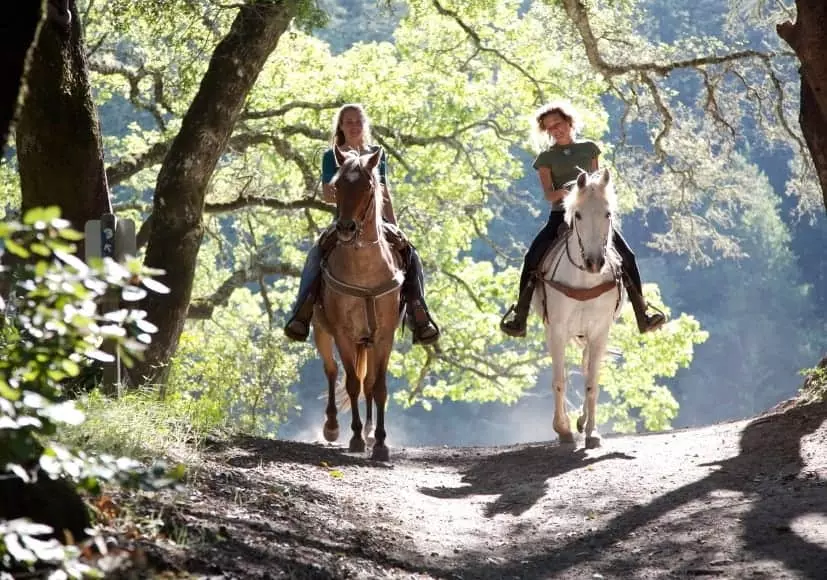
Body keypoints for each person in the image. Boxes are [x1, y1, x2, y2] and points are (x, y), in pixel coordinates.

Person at [500, 100, 666, 337]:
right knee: (532, 257)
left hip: (592, 216)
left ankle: (643, 312)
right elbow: (549, 195)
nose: (555, 130)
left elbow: (597, 184)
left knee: (627, 256)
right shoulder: (546, 159)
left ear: (569, 122)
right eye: (549, 128)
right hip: (561, 216)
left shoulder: (589, 149)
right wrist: (571, 192)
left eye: (558, 124)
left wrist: (591, 195)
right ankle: (520, 316)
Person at [284, 103, 440, 345]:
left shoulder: (376, 154)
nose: (354, 126)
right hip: (345, 220)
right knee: (315, 254)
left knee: (410, 254)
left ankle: (419, 313)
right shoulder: (331, 156)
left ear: (364, 125)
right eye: (349, 121)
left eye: (358, 121)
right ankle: (301, 313)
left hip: (376, 221)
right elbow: (327, 195)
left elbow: (384, 192)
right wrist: (347, 187)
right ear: (341, 126)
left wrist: (395, 226)